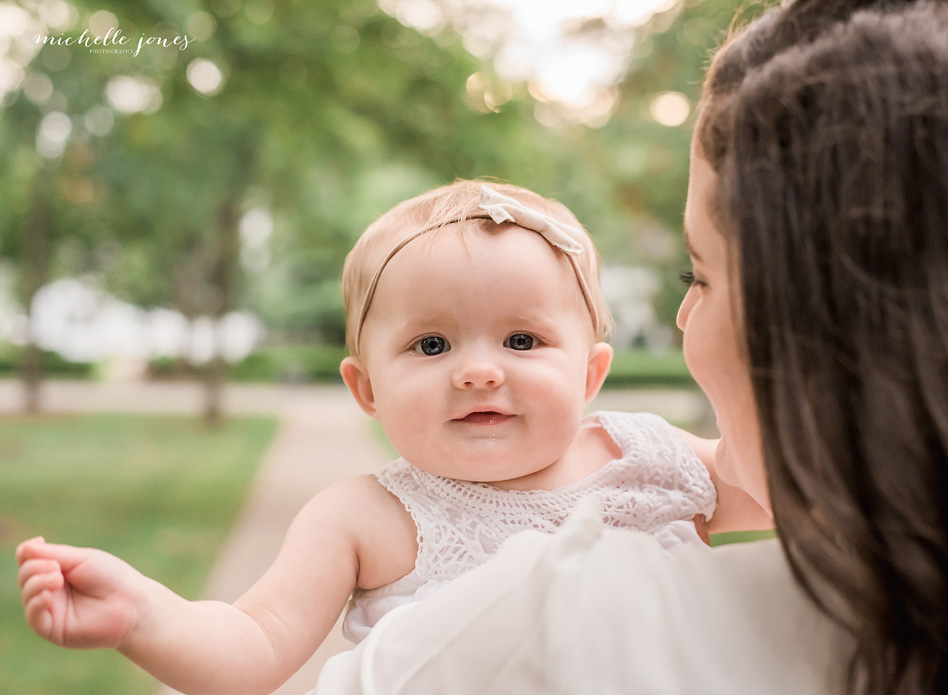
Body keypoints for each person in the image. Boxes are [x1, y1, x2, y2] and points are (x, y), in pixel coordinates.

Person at [307, 1, 948, 693]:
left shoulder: (547, 622)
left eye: (698, 274)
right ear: (362, 383)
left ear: (824, 321)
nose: (682, 316)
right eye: (431, 343)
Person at [16, 180, 763, 694]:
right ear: (365, 388)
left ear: (591, 372)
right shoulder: (366, 519)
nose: (477, 371)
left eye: (523, 339)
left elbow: (810, 491)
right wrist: (146, 616)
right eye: (432, 345)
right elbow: (251, 648)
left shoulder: (651, 460)